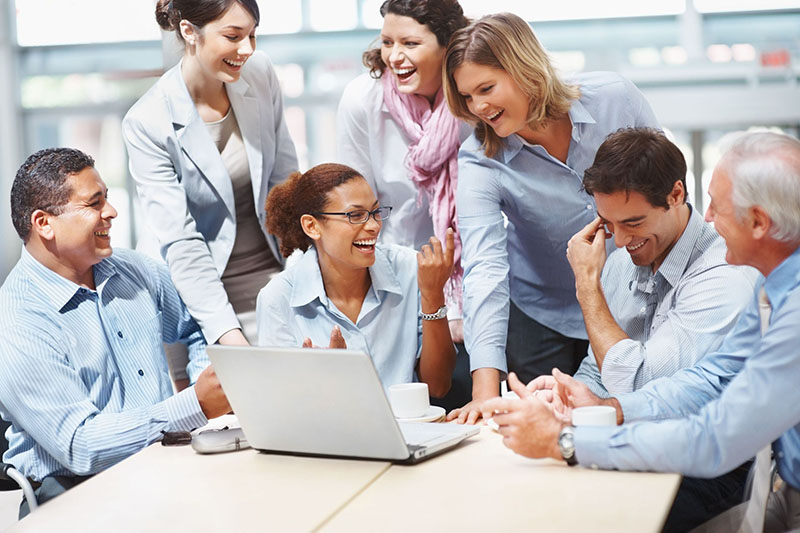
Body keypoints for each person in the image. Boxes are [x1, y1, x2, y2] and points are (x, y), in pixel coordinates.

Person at [481, 131, 800, 532]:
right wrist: (603, 408)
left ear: (757, 222)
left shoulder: (754, 287)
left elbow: (713, 440)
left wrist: (566, 440)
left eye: (717, 207)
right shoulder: (775, 290)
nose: (709, 218)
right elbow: (709, 379)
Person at [441, 12, 661, 422]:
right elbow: (484, 270)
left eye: (486, 88)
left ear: (524, 68)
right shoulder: (480, 159)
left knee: (625, 420)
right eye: (467, 97)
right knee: (543, 432)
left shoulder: (616, 99)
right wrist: (485, 394)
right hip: (539, 312)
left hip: (627, 301)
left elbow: (669, 192)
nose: (479, 107)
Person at [0, 148, 231, 517]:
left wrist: (207, 396)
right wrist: (195, 405)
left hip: (168, 465)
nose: (111, 211)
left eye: (106, 198)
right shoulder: (16, 320)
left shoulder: (133, 269)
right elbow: (79, 445)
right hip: (75, 498)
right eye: (94, 203)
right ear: (44, 223)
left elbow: (199, 325)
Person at [122, 0, 298, 387]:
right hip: (197, 291)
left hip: (272, 274)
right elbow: (182, 242)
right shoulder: (147, 121)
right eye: (233, 37)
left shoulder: (260, 73)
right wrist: (228, 334)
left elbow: (286, 184)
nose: (247, 49)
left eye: (252, 34)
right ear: (189, 32)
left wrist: (307, 276)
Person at [337, 0, 471, 408]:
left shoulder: (474, 95)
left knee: (470, 406)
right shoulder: (364, 100)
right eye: (387, 42)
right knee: (419, 404)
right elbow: (354, 208)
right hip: (398, 278)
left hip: (476, 276)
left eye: (410, 43)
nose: (395, 56)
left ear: (447, 44)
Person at [560, 128, 756, 396]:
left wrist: (586, 285)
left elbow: (642, 383)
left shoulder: (725, 275)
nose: (618, 240)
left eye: (633, 223)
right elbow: (597, 370)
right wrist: (565, 395)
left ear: (675, 195)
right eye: (608, 223)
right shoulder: (619, 264)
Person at [256, 163, 456, 396]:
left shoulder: (411, 269)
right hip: (331, 431)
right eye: (356, 215)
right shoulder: (277, 300)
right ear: (312, 226)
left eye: (375, 212)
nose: (373, 226)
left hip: (412, 429)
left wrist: (433, 296)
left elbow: (438, 386)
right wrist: (330, 378)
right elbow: (284, 408)